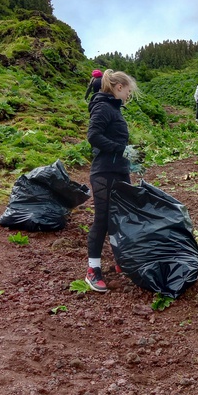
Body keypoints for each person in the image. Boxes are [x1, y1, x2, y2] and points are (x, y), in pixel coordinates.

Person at [85, 69, 139, 292]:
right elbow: (93, 136)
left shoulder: (114, 109)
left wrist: (132, 157)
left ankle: (120, 261)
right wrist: (122, 150)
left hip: (118, 170)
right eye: (128, 91)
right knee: (103, 219)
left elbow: (116, 141)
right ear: (118, 88)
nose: (128, 95)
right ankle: (92, 270)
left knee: (119, 217)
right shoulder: (103, 106)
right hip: (104, 172)